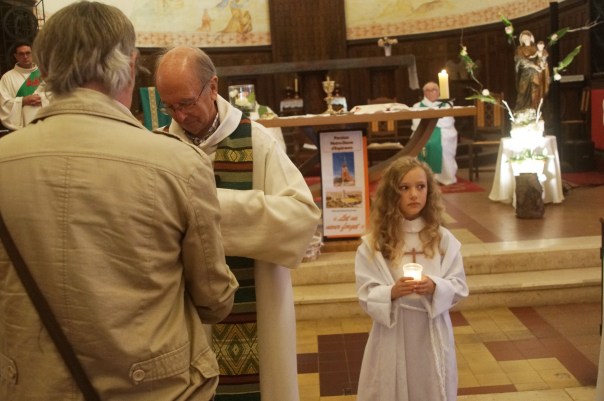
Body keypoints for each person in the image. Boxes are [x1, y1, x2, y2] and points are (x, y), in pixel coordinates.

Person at [0, 3, 238, 401]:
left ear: (44, 69)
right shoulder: (178, 164)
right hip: (154, 387)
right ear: (129, 65)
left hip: (32, 387)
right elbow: (214, 301)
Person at [154, 46, 321, 401]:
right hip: (183, 315)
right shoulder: (159, 148)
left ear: (213, 87)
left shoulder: (257, 142)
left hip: (254, 310)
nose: (180, 115)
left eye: (186, 103)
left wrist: (211, 210)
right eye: (170, 107)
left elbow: (301, 217)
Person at [354, 156, 469, 401]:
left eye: (420, 186)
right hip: (394, 330)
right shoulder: (374, 243)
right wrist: (391, 292)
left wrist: (435, 286)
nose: (414, 194)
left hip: (432, 328)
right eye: (404, 188)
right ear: (391, 193)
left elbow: (459, 285)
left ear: (429, 190)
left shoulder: (442, 239)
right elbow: (365, 293)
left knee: (430, 386)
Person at [411, 81, 459, 185]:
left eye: (434, 90)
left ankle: (443, 178)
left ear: (438, 92)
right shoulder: (417, 106)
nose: (431, 92)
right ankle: (422, 177)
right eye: (428, 90)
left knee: (442, 144)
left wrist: (432, 123)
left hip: (443, 131)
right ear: (424, 93)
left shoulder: (446, 104)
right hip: (422, 131)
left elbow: (448, 121)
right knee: (420, 143)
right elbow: (416, 123)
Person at [0, 39, 50, 130]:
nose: (25, 56)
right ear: (16, 56)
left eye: (28, 53)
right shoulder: (7, 78)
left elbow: (57, 95)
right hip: (23, 129)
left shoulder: (45, 73)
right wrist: (23, 101)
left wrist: (42, 98)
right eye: (21, 54)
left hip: (47, 124)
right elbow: (4, 103)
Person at [514, 30, 548, 112]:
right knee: (522, 90)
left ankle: (534, 109)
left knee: (535, 90)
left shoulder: (536, 48)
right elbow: (520, 60)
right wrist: (533, 65)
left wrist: (542, 62)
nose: (525, 39)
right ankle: (521, 109)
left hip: (535, 74)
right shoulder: (519, 49)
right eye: (523, 38)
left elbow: (542, 59)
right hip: (525, 73)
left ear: (531, 37)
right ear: (521, 40)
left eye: (527, 37)